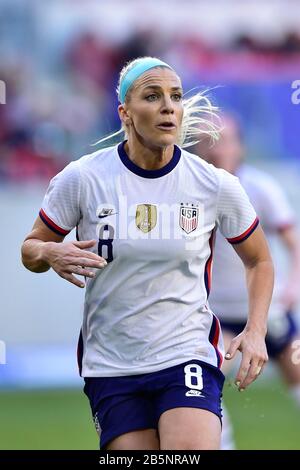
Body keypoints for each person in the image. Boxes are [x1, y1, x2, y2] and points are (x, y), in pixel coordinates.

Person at [21, 57, 274, 450]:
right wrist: (50, 253)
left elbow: (259, 259)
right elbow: (31, 248)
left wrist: (256, 330)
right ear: (125, 112)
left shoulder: (213, 184)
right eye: (152, 96)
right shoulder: (83, 178)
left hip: (186, 352)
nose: (168, 106)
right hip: (111, 361)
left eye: (175, 96)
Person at [194, 114, 300, 448]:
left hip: (267, 311)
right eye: (208, 140)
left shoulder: (260, 188)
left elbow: (292, 243)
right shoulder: (192, 191)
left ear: (239, 145)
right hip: (219, 312)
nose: (217, 148)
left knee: (297, 370)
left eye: (224, 139)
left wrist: (294, 286)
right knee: (208, 379)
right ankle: (221, 443)